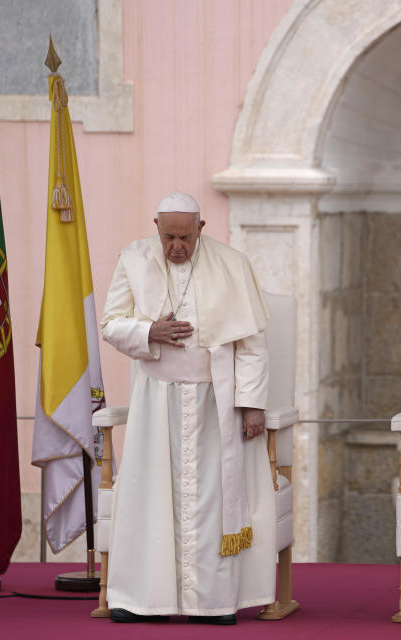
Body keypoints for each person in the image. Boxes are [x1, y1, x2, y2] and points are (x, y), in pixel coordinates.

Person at [101, 192, 275, 624]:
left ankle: (212, 603)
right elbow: (109, 324)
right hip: (155, 402)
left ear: (201, 229)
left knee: (212, 500)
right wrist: (148, 331)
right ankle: (144, 600)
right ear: (155, 226)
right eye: (168, 237)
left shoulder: (231, 264)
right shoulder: (134, 258)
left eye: (185, 237)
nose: (176, 247)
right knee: (150, 497)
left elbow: (251, 345)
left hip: (215, 401)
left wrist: (251, 405)